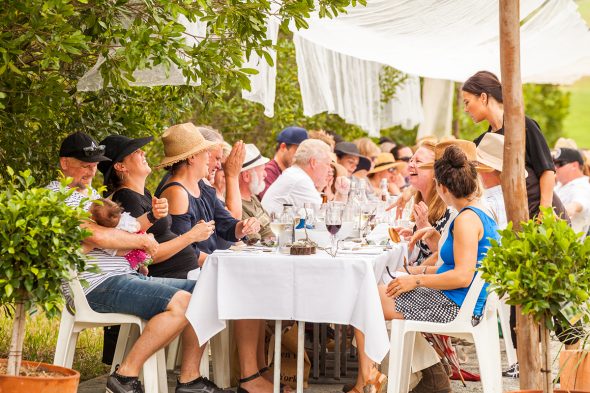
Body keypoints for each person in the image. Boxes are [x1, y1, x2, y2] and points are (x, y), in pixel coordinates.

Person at [50, 131, 226, 393]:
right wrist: (141, 242)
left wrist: (150, 220)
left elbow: (126, 229)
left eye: (95, 165)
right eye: (85, 165)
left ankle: (190, 379)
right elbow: (97, 235)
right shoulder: (59, 196)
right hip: (96, 285)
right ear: (64, 163)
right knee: (184, 302)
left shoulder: (92, 197)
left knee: (207, 291)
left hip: (125, 277)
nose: (91, 171)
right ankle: (125, 375)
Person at [463, 70, 566, 219]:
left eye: (467, 102)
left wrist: (545, 211)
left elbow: (547, 169)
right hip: (511, 219)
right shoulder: (481, 143)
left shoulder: (522, 126)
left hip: (543, 214)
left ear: (483, 97)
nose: (466, 109)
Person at [262, 139, 332, 215]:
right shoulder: (300, 180)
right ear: (313, 162)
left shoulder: (295, 174)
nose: (330, 170)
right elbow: (326, 218)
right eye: (327, 164)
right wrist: (341, 194)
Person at [259, 126, 308, 199]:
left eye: (303, 153)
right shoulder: (268, 172)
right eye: (297, 151)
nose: (300, 156)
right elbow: (270, 204)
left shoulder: (292, 173)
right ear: (283, 147)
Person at [239, 144, 274, 243]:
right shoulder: (238, 205)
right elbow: (254, 242)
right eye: (262, 170)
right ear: (246, 176)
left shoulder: (252, 197)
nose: (265, 174)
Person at [553, 147, 590, 237]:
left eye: (560, 164)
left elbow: (577, 205)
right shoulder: (560, 185)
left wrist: (554, 215)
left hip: (568, 248)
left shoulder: (583, 186)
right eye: (554, 163)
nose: (555, 167)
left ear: (574, 165)